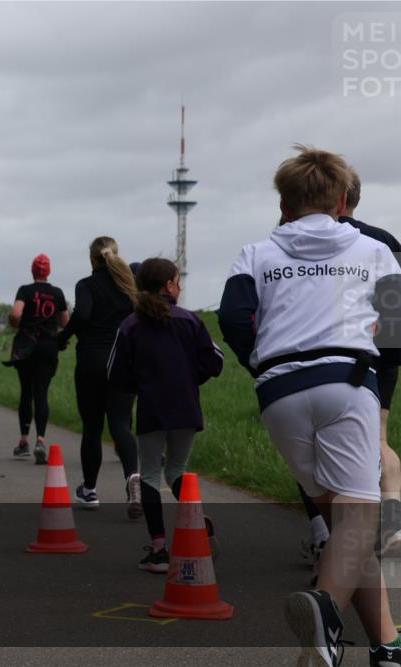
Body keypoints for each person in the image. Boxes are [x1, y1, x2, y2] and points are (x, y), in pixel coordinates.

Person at [218, 145, 401, 667]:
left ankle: (386, 646)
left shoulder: (257, 253)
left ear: (284, 204)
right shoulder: (372, 249)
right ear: (344, 200)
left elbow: (233, 318)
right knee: (360, 521)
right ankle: (325, 614)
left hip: (278, 395)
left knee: (346, 528)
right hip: (345, 384)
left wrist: (262, 362)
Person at [297, 166, 401, 563]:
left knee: (316, 448)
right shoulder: (385, 240)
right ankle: (392, 527)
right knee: (378, 441)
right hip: (381, 356)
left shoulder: (316, 241)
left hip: (330, 356)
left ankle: (327, 534)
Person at [108, 258, 224, 572]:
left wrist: (140, 384)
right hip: (186, 406)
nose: (181, 286)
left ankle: (159, 549)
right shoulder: (190, 320)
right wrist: (190, 377)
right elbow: (216, 361)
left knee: (149, 474)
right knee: (176, 470)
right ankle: (195, 517)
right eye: (177, 281)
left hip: (151, 409)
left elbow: (115, 373)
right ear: (168, 285)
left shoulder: (130, 324)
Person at [57, 237, 142, 519]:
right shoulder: (129, 284)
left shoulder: (86, 285)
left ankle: (90, 490)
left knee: (92, 428)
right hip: (123, 359)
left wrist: (63, 337)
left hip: (92, 361)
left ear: (92, 259)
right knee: (120, 423)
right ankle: (132, 476)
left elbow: (83, 313)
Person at [4, 253, 68, 464]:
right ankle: (41, 440)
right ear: (48, 272)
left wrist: (15, 323)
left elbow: (15, 314)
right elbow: (65, 322)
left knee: (26, 392)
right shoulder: (57, 293)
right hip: (48, 347)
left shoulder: (25, 290)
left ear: (33, 271)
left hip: (26, 347)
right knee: (42, 393)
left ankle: (23, 442)